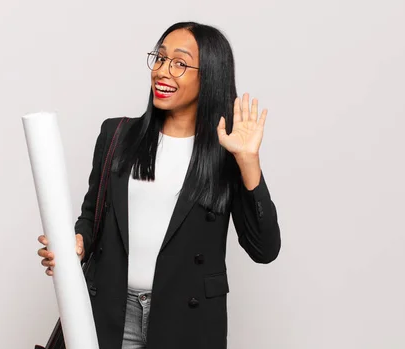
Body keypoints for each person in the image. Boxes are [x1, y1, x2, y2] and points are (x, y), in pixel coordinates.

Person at [37, 21, 281, 349]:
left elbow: (264, 249)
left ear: (209, 75)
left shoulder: (226, 153)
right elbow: (92, 216)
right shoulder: (117, 136)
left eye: (179, 63)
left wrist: (248, 161)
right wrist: (76, 244)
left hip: (186, 321)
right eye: (160, 58)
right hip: (110, 311)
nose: (163, 71)